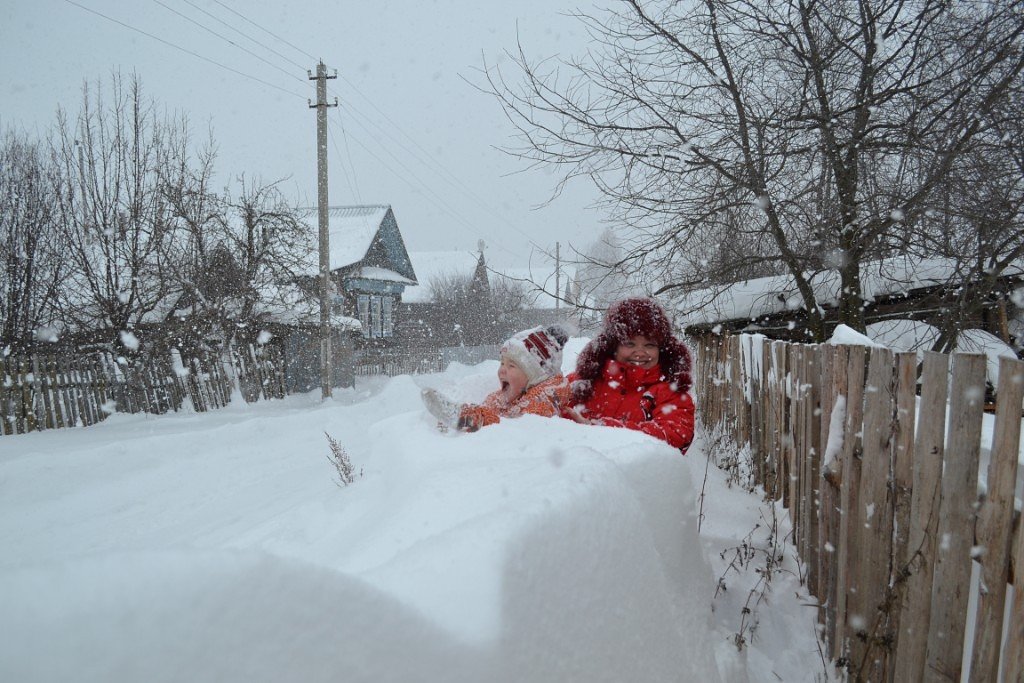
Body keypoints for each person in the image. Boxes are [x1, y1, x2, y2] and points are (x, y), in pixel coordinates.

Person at [563, 297, 695, 453]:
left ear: (661, 349)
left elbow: (676, 436)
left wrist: (599, 430)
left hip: (635, 476)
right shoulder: (582, 382)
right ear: (613, 346)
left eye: (650, 345)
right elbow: (545, 421)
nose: (639, 353)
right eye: (629, 344)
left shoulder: (671, 392)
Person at [421, 324, 570, 432]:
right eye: (502, 363)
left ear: (535, 376)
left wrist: (474, 419)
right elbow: (492, 406)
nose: (502, 371)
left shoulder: (545, 398)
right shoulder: (515, 392)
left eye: (512, 366)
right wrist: (463, 415)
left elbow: (513, 427)